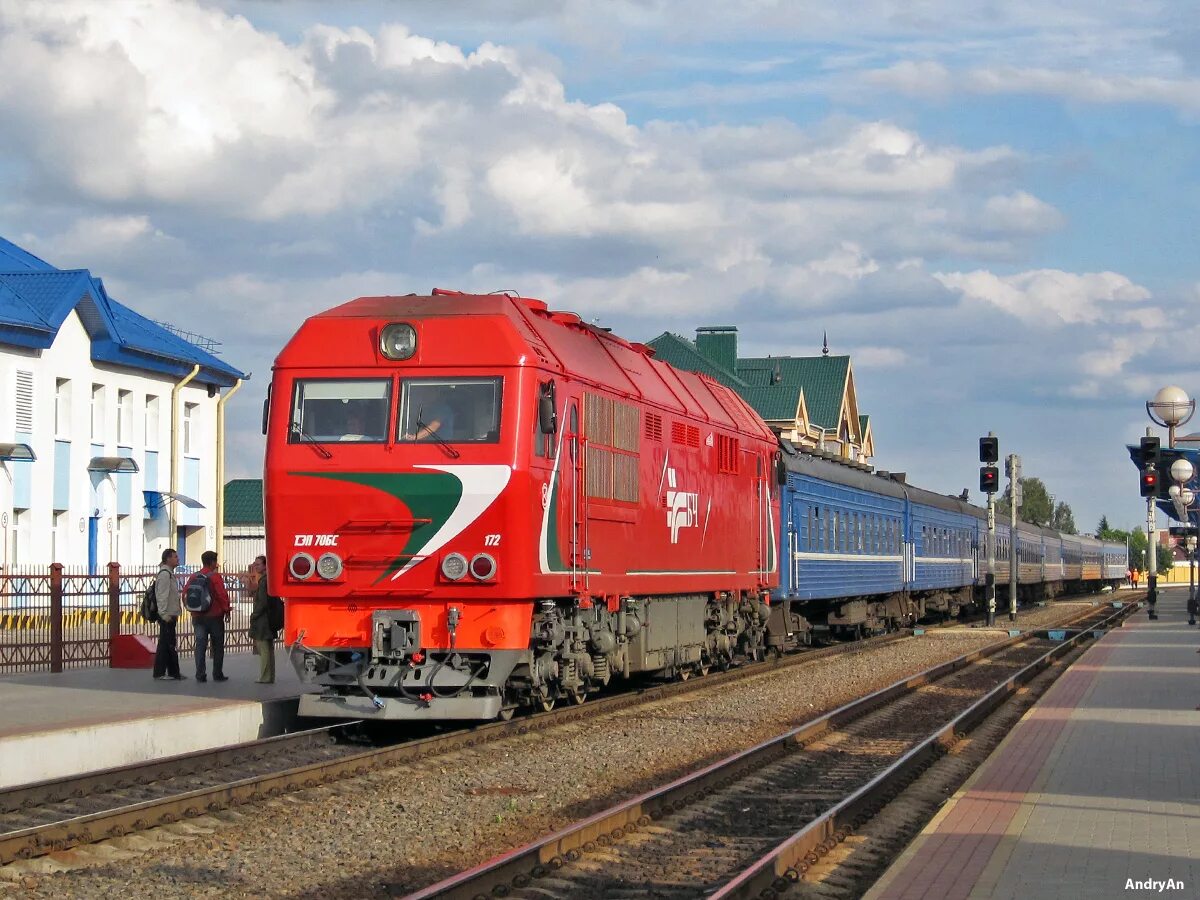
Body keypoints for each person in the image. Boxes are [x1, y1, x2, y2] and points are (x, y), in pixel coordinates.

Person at [190, 550, 231, 683]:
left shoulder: (194, 576)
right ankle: (217, 673)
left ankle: (200, 674)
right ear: (212, 562)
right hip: (214, 616)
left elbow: (186, 593)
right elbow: (221, 595)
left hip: (197, 616)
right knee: (217, 645)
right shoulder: (215, 577)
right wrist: (226, 610)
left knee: (200, 644)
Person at [152, 548, 185, 681]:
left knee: (170, 644)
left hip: (171, 614)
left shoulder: (169, 573)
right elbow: (161, 596)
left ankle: (173, 672)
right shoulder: (165, 574)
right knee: (165, 645)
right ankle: (160, 672)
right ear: (168, 559)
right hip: (167, 615)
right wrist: (163, 614)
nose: (178, 559)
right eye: (175, 557)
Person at [249, 558, 281, 684]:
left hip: (263, 619)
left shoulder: (264, 581)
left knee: (264, 649)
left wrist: (254, 615)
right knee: (268, 648)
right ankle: (269, 676)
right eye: (255, 564)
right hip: (268, 618)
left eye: (258, 564)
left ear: (265, 565)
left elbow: (262, 602)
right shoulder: (269, 579)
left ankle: (265, 676)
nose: (255, 566)